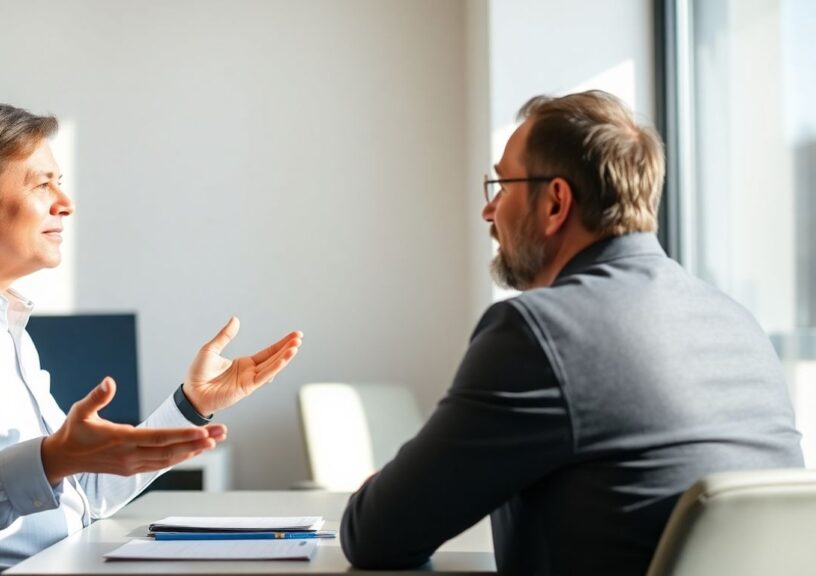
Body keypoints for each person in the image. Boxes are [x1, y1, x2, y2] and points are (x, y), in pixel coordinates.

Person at [339, 90, 803, 576]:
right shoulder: (741, 327)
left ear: (556, 202)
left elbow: (376, 534)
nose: (489, 211)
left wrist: (383, 491)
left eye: (502, 186)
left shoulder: (540, 333)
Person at [0, 103, 303, 565]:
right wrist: (50, 459)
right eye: (42, 184)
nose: (66, 203)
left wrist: (190, 405)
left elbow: (83, 496)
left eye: (61, 183)